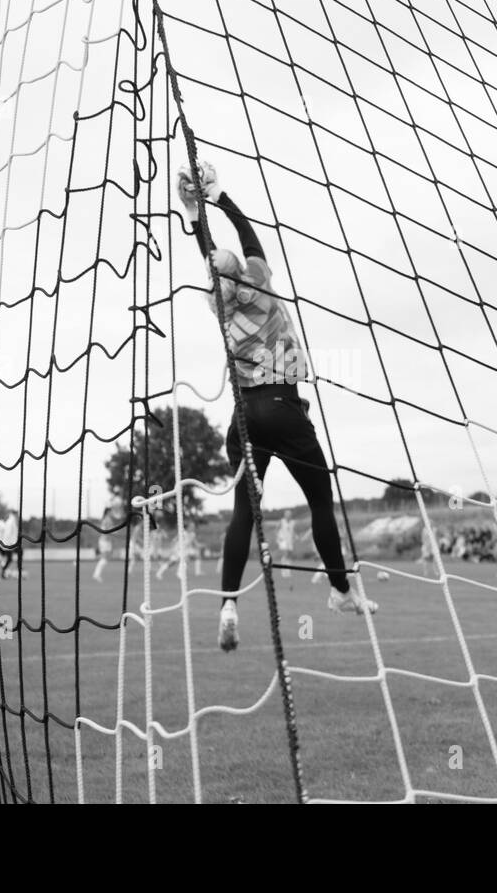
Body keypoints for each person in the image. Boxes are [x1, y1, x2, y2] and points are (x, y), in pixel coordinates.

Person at [178, 160, 376, 653]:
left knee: (245, 511)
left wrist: (192, 216)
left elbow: (212, 259)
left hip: (244, 417)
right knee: (319, 501)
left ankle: (228, 604)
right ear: (241, 271)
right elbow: (248, 240)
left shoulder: (220, 308)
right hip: (284, 408)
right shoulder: (260, 284)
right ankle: (338, 590)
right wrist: (218, 198)